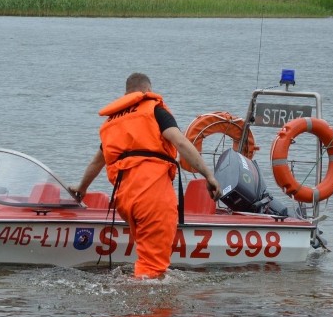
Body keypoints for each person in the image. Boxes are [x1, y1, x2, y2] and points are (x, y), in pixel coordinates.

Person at [69, 72, 221, 279]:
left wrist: (82, 188)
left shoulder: (112, 121)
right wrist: (208, 175)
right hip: (151, 194)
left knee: (147, 256)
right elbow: (182, 143)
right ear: (147, 91)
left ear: (126, 94)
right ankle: (144, 308)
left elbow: (97, 161)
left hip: (124, 199)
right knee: (152, 266)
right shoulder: (154, 110)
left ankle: (134, 296)